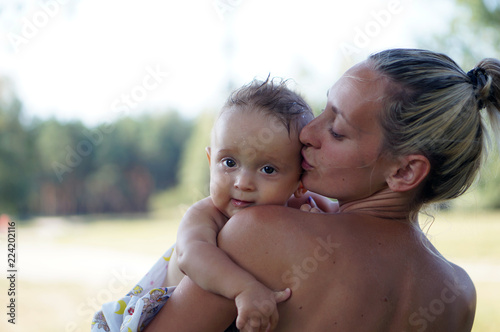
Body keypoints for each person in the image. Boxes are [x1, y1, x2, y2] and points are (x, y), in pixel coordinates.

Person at [144, 48, 500, 332]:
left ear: (405, 171)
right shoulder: (459, 296)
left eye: (337, 130)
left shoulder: (260, 233)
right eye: (324, 110)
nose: (307, 133)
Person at [91, 78, 336, 332]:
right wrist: (243, 288)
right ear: (211, 160)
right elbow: (191, 256)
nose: (243, 182)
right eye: (229, 163)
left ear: (300, 182)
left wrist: (316, 222)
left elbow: (337, 218)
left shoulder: (303, 203)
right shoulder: (206, 215)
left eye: (267, 169)